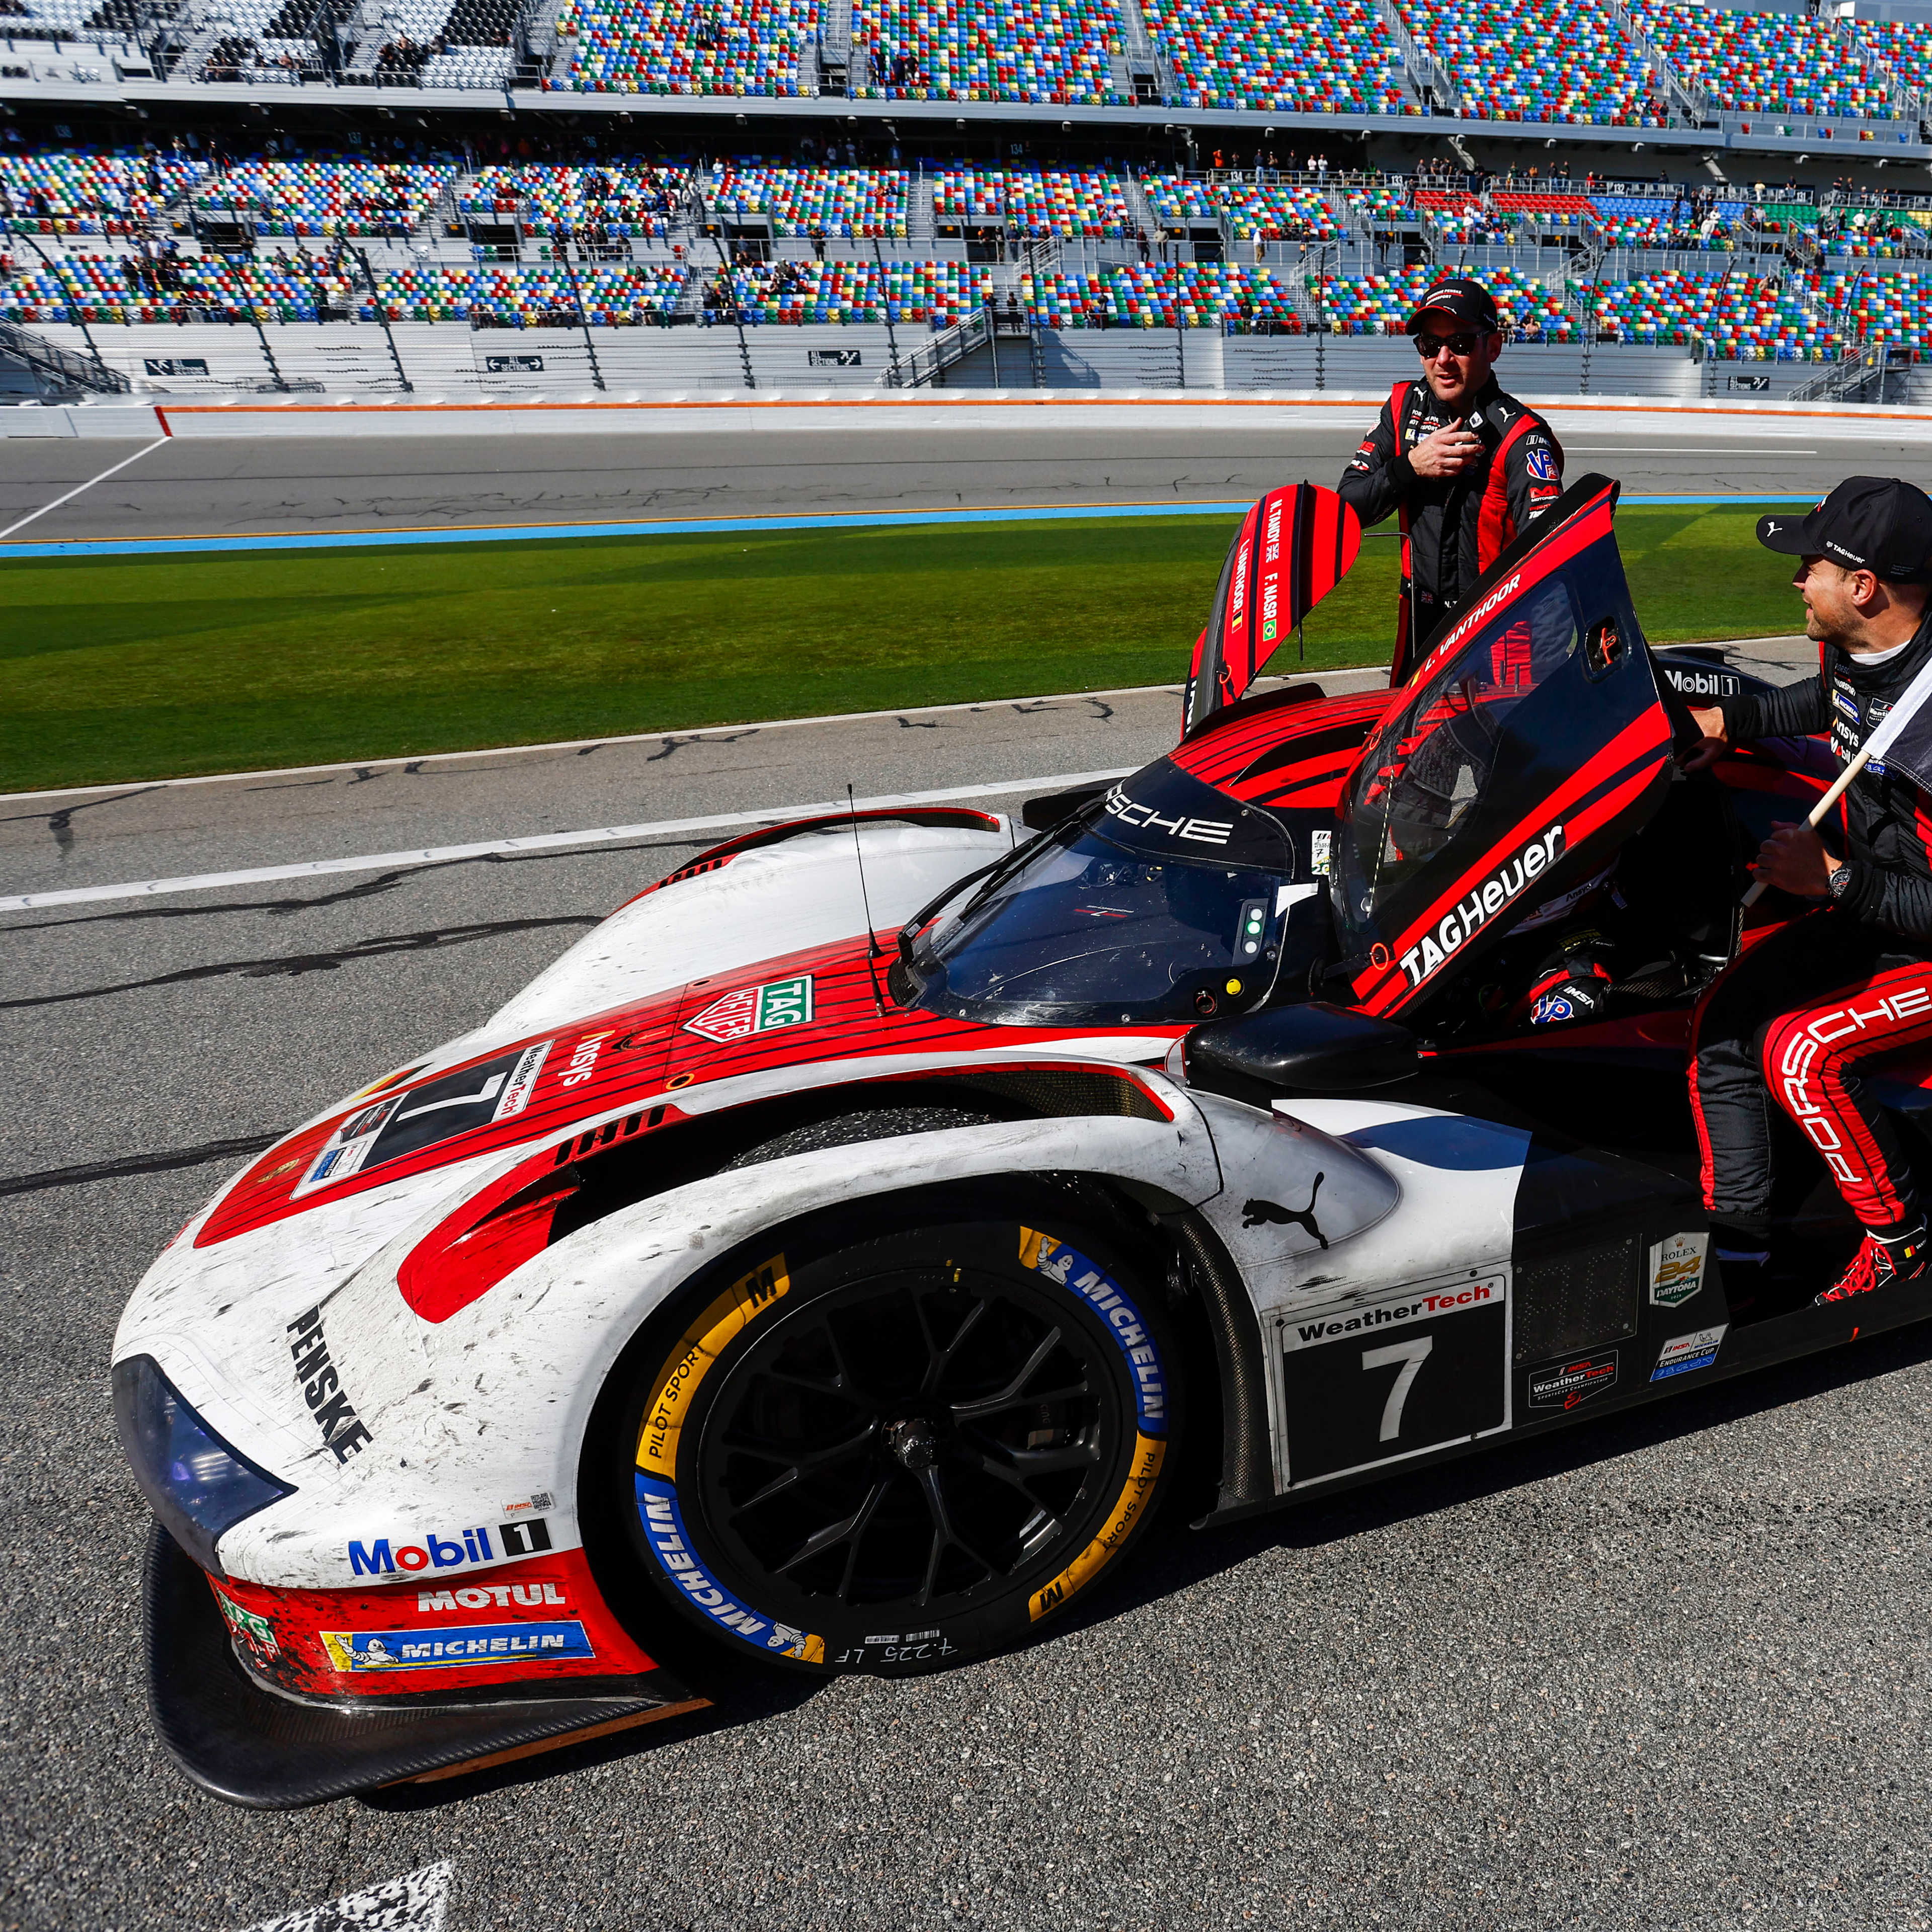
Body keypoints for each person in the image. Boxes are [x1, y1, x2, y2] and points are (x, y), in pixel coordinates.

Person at [1682, 477, 1932, 1303]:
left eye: (1809, 567)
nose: (1795, 580)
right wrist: (1732, 721)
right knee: (1723, 1017)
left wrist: (1835, 880)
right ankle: (1741, 1249)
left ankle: (1902, 1246)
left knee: (1800, 1054)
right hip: (1880, 906)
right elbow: (1836, 698)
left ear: (1863, 587)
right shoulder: (1866, 645)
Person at [1336, 275, 1566, 683]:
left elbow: (1554, 564)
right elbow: (1347, 508)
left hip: (1496, 632)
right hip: (1418, 626)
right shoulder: (1402, 407)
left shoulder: (1522, 437)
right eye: (1429, 344)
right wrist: (1410, 466)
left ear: (1493, 347)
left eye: (1459, 343)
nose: (1442, 359)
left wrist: (1543, 683)